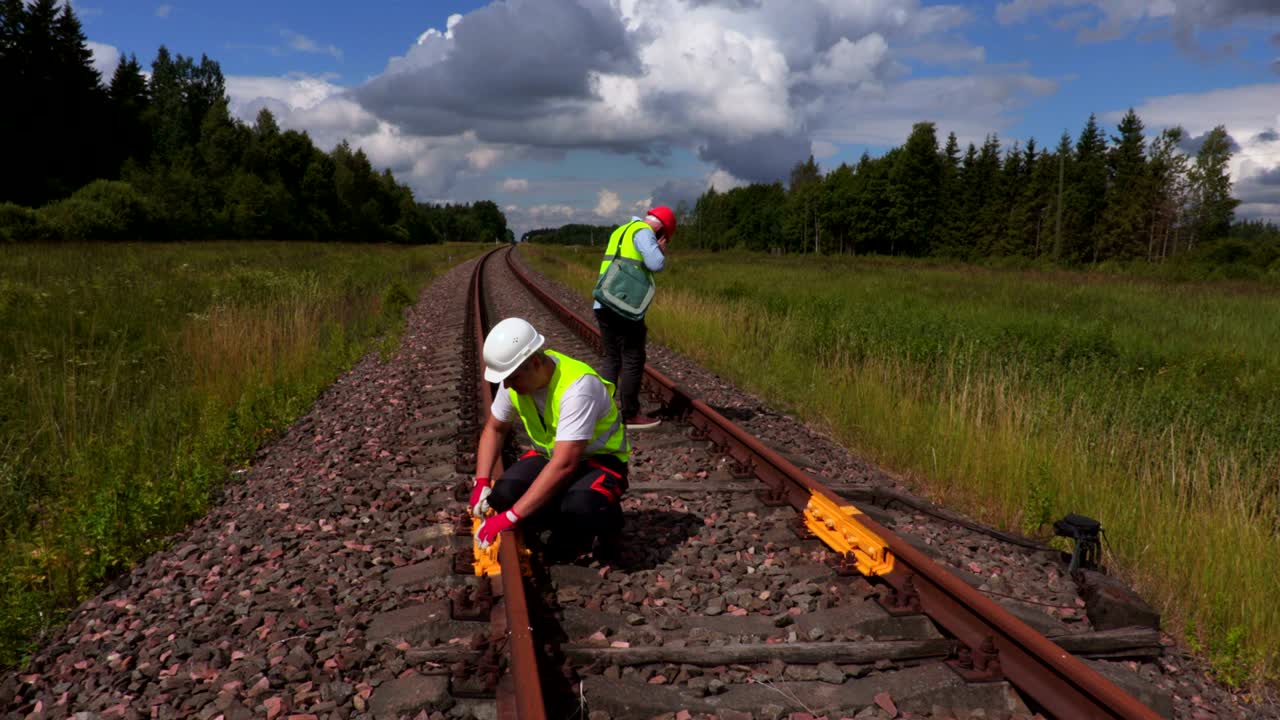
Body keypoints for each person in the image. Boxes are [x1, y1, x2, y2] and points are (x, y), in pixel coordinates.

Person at [469, 317, 630, 560]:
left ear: (534, 362)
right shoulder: (513, 380)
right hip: (551, 456)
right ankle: (557, 517)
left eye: (512, 378)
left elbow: (565, 464)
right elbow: (494, 429)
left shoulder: (577, 388)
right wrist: (481, 482)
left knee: (579, 508)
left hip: (600, 462)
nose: (507, 385)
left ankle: (606, 522)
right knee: (502, 494)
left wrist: (510, 517)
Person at [594, 205, 675, 430]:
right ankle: (630, 415)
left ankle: (602, 414)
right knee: (632, 357)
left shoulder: (621, 230)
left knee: (611, 359)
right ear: (661, 231)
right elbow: (655, 264)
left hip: (602, 301)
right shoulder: (643, 232)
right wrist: (661, 251)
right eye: (665, 236)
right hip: (623, 305)